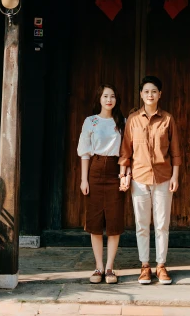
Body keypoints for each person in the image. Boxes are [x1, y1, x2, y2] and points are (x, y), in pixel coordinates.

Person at [118, 75, 181, 285]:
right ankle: (145, 266)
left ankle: (161, 265)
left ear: (160, 94)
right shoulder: (133, 120)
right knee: (142, 224)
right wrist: (124, 176)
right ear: (141, 94)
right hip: (139, 177)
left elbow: (176, 152)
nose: (150, 95)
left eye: (154, 91)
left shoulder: (168, 119)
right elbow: (126, 151)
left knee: (162, 224)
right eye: (146, 91)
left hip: (163, 178)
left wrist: (175, 176)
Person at [78, 83, 126, 284]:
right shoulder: (91, 121)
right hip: (96, 169)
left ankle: (109, 268)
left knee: (114, 222)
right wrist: (84, 179)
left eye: (113, 96)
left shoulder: (122, 122)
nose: (109, 99)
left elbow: (126, 152)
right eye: (105, 96)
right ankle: (98, 267)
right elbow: (85, 152)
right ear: (99, 98)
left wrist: (124, 175)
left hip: (115, 170)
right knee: (95, 222)